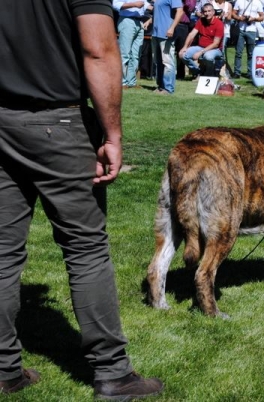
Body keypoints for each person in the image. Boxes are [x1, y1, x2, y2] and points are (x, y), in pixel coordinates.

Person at [0, 0, 164, 399]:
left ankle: (4, 369)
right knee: (86, 248)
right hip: (59, 120)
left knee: (2, 251)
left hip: (5, 117)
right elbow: (99, 49)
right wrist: (113, 135)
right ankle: (113, 373)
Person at [113, 1, 152, 88]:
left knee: (136, 54)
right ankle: (122, 82)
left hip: (140, 21)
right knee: (125, 53)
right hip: (127, 20)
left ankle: (131, 82)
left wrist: (156, 5)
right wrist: (134, 4)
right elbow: (115, 4)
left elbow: (145, 4)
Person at [179, 3, 225, 77]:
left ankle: (209, 74)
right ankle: (197, 72)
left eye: (209, 11)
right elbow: (191, 34)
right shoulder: (201, 21)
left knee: (207, 56)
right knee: (182, 54)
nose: (207, 13)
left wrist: (201, 52)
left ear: (213, 12)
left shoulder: (219, 24)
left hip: (215, 49)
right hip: (201, 47)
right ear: (202, 13)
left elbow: (216, 44)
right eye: (205, 11)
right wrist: (184, 47)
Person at [149, 0, 184, 94]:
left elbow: (180, 11)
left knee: (167, 61)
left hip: (166, 33)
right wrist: (149, 21)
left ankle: (168, 88)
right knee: (158, 61)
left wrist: (172, 28)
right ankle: (160, 86)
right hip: (156, 33)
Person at [232, 0, 264, 78]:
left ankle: (250, 73)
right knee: (238, 52)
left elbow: (262, 17)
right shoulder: (239, 1)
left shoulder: (257, 2)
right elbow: (233, 13)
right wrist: (240, 18)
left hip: (252, 30)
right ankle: (237, 72)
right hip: (240, 29)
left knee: (251, 53)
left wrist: (254, 19)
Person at [174, 0, 197, 80]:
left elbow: (191, 8)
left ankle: (180, 75)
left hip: (182, 25)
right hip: (170, 23)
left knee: (181, 50)